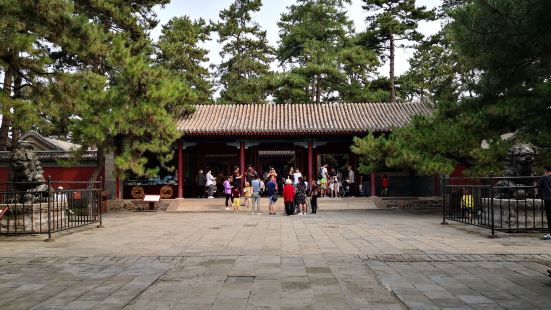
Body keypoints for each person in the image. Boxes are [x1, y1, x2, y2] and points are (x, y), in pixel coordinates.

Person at [540, 165, 551, 240]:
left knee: (549, 216)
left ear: (546, 170)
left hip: (548, 198)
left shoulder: (544, 177)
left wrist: (540, 195)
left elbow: (540, 186)